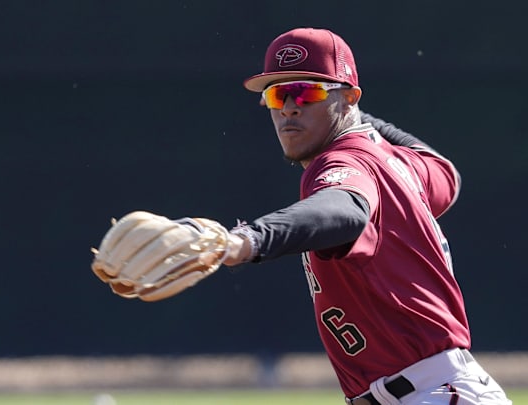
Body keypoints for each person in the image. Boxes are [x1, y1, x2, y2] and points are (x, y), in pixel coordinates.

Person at [219, 27, 513, 405]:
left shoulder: (340, 162)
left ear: (350, 98)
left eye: (307, 91)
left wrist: (248, 240)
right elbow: (445, 173)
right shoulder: (399, 163)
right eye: (277, 94)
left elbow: (345, 209)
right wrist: (360, 120)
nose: (289, 107)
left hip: (429, 395)